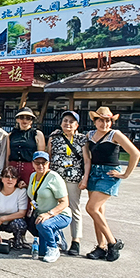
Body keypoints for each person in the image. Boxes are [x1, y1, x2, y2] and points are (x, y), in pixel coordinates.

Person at [83, 107, 140, 262]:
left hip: (109, 174)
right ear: (94, 121)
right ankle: (101, 247)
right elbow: (87, 157)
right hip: (94, 173)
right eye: (101, 120)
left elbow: (135, 153)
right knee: (98, 212)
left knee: (91, 208)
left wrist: (125, 174)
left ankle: (112, 243)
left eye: (108, 120)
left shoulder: (115, 134)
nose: (104, 123)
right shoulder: (89, 135)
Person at [47, 110, 88, 256]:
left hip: (73, 178)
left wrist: (85, 178)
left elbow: (87, 160)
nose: (68, 124)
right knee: (54, 207)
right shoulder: (54, 137)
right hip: (56, 177)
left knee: (74, 208)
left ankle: (76, 241)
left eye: (71, 122)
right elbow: (49, 156)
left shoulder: (82, 139)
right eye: (65, 120)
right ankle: (55, 238)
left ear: (77, 125)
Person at [27, 151, 72, 263]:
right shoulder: (33, 176)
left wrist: (49, 214)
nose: (40, 165)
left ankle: (54, 248)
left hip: (59, 214)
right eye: (37, 162)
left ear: (49, 163)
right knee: (42, 252)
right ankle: (56, 235)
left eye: (44, 162)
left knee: (43, 224)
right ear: (33, 163)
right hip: (41, 214)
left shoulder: (54, 177)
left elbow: (65, 202)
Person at [7, 107, 46, 186]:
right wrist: (6, 170)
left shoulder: (37, 134)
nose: (24, 121)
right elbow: (8, 155)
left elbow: (41, 156)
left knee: (30, 192)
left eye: (28, 118)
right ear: (17, 119)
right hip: (13, 167)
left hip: (30, 168)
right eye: (21, 118)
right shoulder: (11, 135)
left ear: (31, 121)